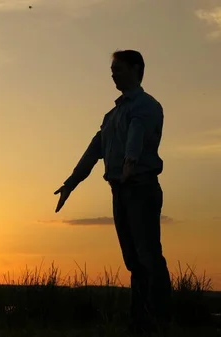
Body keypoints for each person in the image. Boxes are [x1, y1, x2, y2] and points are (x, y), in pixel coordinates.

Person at [54, 50, 172, 335]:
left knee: (148, 255)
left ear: (136, 69)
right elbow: (95, 149)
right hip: (120, 191)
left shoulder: (146, 106)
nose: (112, 73)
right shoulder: (112, 114)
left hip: (141, 188)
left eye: (117, 68)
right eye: (112, 68)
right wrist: (71, 183)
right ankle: (141, 320)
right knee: (133, 260)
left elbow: (138, 132)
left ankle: (163, 319)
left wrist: (131, 161)